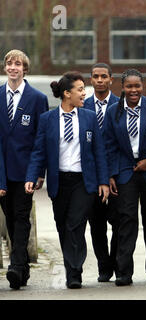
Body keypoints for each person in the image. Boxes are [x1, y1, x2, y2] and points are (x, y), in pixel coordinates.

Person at [25, 71, 110, 289]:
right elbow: (38, 152)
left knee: (75, 224)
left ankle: (75, 272)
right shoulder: (48, 120)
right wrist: (32, 176)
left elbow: (99, 151)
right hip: (59, 181)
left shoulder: (90, 117)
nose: (84, 93)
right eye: (80, 89)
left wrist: (103, 181)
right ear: (66, 93)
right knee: (63, 225)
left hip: (84, 181)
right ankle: (71, 266)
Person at [104, 69, 146, 285]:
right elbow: (109, 145)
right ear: (122, 88)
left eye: (137, 86)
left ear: (142, 87)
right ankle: (124, 272)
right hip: (126, 172)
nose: (133, 90)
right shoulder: (113, 111)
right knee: (126, 221)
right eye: (129, 87)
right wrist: (111, 174)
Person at [0, 49, 49, 290]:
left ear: (25, 69)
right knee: (10, 218)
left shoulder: (37, 99)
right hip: (2, 172)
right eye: (9, 63)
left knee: (21, 217)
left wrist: (39, 172)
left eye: (17, 64)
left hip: (25, 172)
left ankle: (16, 267)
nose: (13, 67)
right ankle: (22, 268)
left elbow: (41, 140)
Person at [83, 63, 120, 282]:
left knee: (117, 221)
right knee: (96, 224)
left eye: (103, 76)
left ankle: (115, 261)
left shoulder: (121, 104)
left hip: (116, 174)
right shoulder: (84, 105)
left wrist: (112, 174)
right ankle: (103, 266)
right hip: (92, 175)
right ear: (91, 80)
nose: (99, 80)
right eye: (95, 76)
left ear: (111, 80)